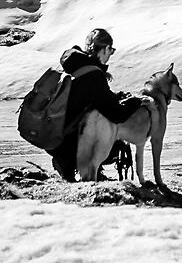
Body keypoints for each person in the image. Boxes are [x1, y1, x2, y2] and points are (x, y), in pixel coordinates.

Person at [50, 27, 140, 182]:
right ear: (105, 48)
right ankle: (74, 163)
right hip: (68, 142)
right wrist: (135, 102)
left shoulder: (76, 66)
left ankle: (74, 164)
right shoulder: (93, 75)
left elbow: (92, 98)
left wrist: (117, 96)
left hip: (55, 134)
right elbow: (116, 115)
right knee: (116, 142)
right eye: (111, 50)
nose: (111, 54)